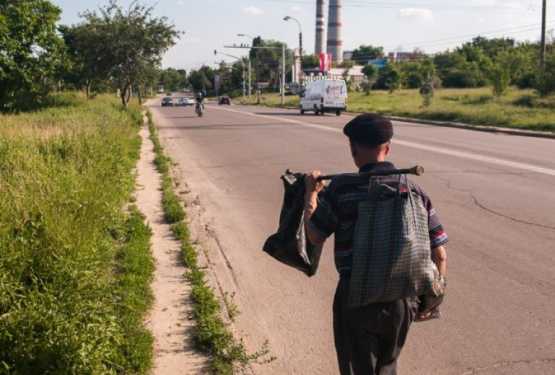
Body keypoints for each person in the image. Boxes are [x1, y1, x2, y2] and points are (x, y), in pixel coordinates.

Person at [303, 113, 448, 375]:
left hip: (355, 297)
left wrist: (310, 195)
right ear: (387, 147)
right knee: (388, 368)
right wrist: (431, 301)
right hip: (401, 300)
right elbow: (440, 253)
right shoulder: (413, 189)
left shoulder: (343, 187)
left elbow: (313, 236)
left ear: (353, 148)